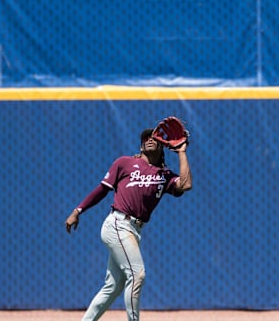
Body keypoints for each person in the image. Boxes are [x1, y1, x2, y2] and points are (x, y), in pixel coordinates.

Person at [65, 127, 193, 321]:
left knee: (113, 287)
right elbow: (102, 189)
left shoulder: (164, 174)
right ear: (141, 145)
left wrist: (182, 152)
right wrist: (77, 210)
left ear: (163, 146)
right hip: (117, 223)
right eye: (146, 138)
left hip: (134, 231)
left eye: (155, 138)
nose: (150, 140)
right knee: (137, 274)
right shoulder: (124, 163)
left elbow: (185, 185)